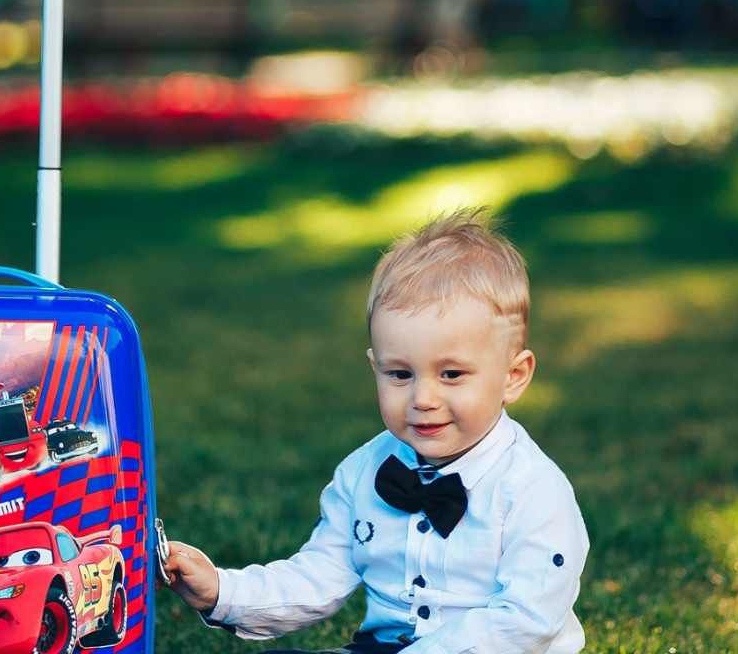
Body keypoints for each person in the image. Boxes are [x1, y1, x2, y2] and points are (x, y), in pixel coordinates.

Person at [164, 208, 589, 654]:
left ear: (513, 376)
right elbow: (319, 575)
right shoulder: (364, 472)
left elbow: (526, 619)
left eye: (451, 375)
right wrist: (221, 593)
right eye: (400, 374)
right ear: (375, 368)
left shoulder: (534, 490)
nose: (423, 398)